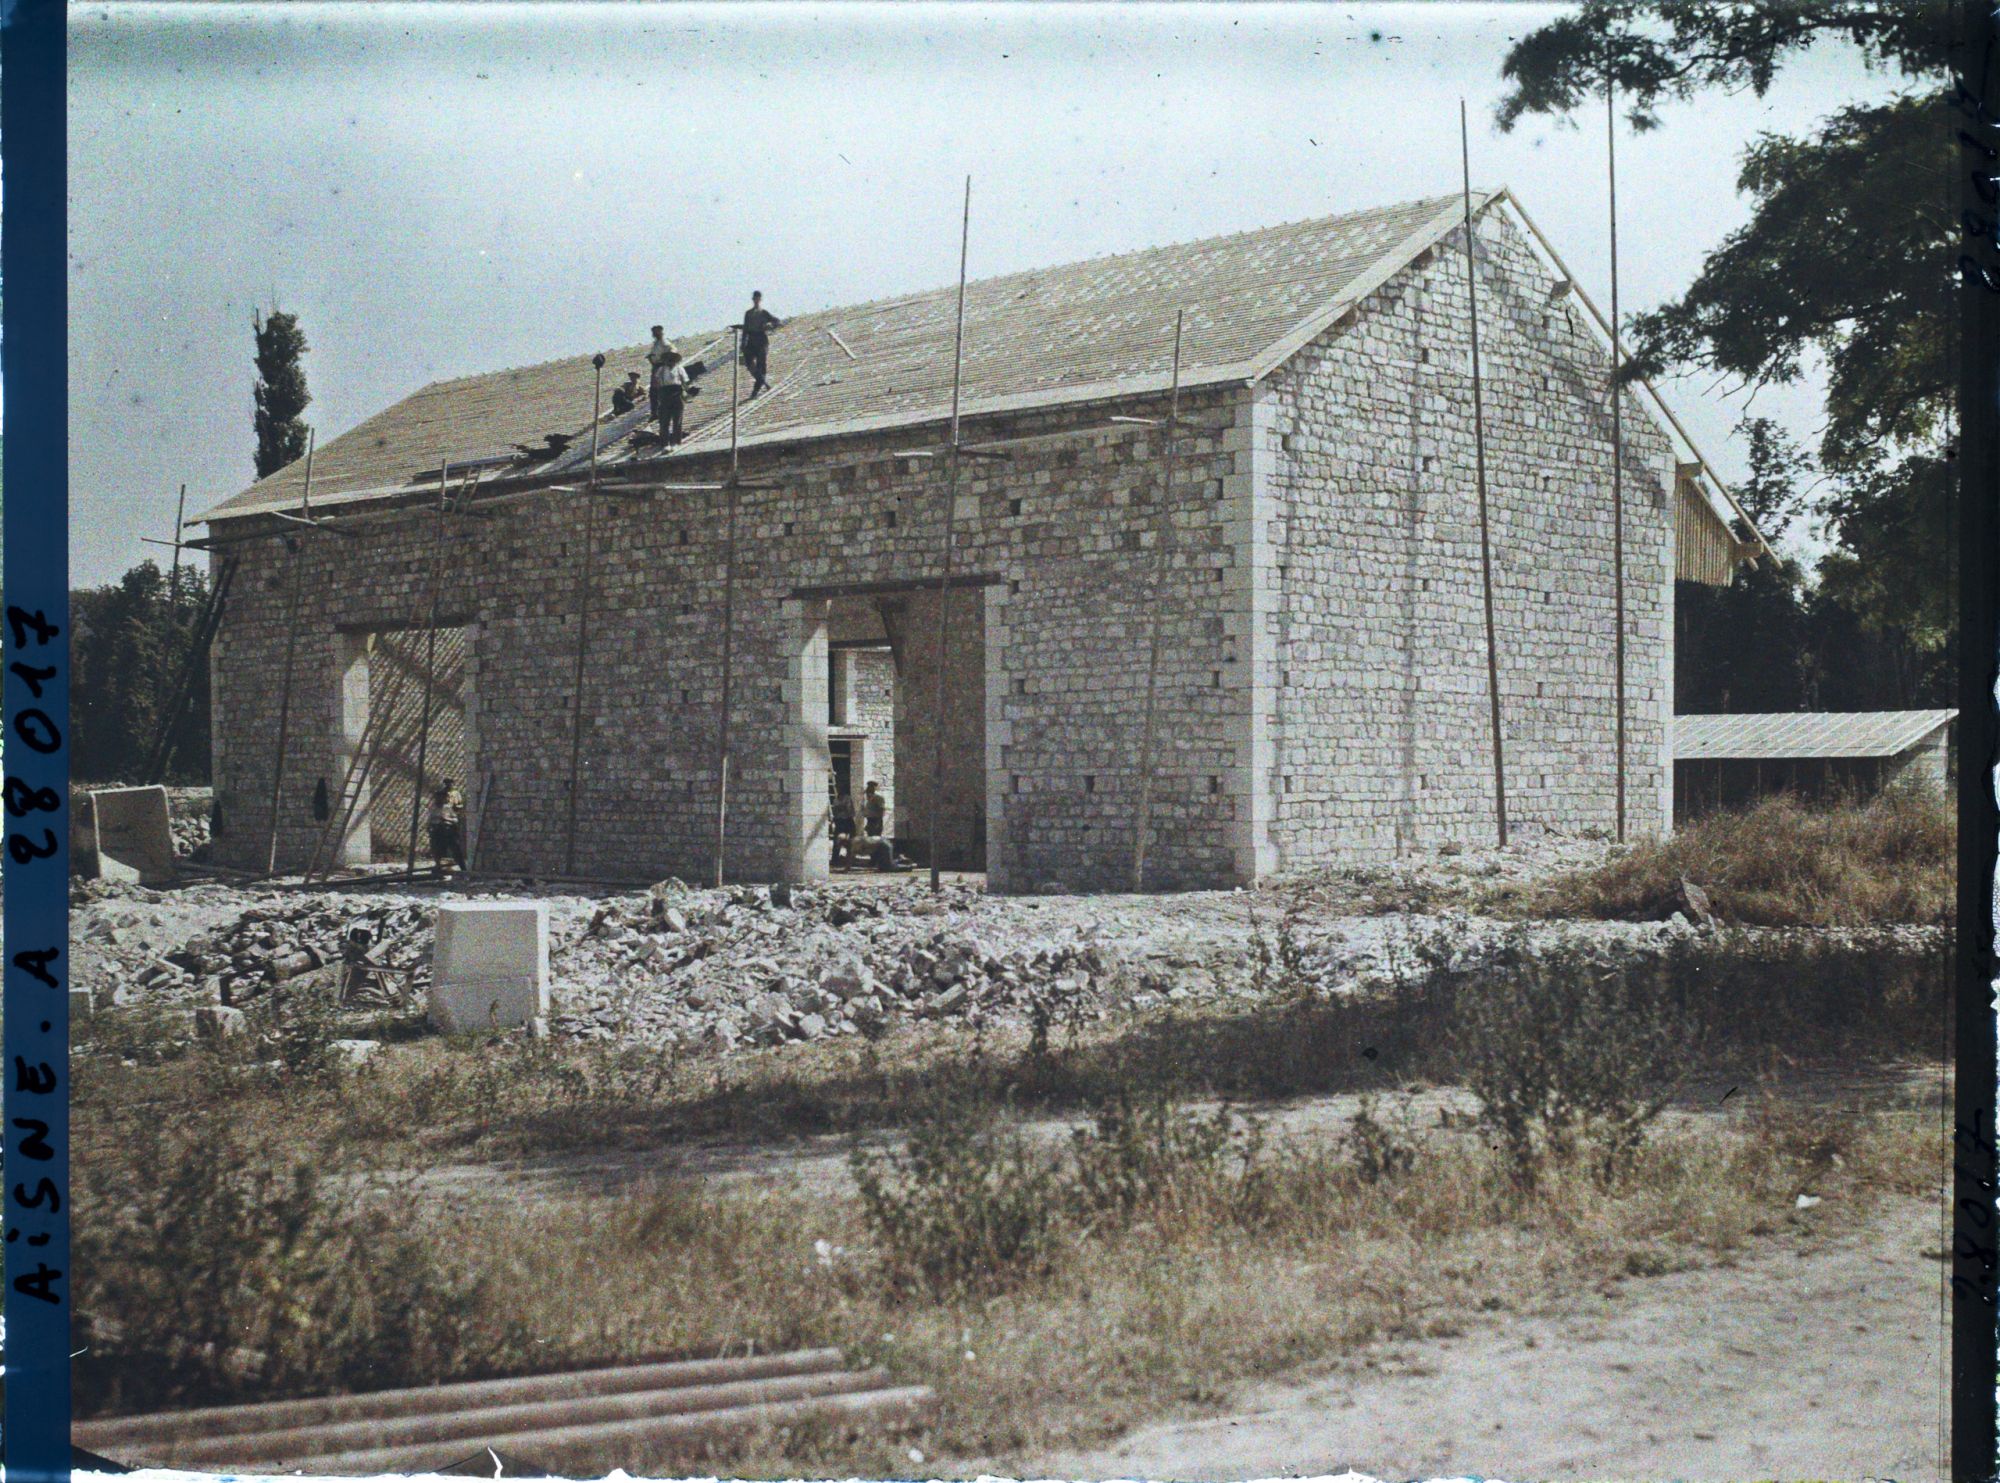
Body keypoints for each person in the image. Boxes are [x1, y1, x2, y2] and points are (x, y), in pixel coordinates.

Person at [740, 291, 783, 398]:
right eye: (755, 298)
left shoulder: (763, 313)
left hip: (761, 340)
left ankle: (756, 389)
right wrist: (743, 343)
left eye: (758, 298)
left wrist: (769, 325)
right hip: (751, 340)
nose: (756, 300)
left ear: (760, 299)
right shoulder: (748, 313)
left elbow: (777, 322)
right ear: (753, 299)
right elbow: (745, 329)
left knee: (761, 366)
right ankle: (763, 382)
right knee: (749, 364)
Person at [646, 325, 678, 427]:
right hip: (656, 367)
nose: (654, 334)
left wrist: (665, 360)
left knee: (660, 390)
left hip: (662, 367)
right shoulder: (656, 344)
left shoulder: (665, 343)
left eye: (656, 332)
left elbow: (672, 351)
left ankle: (661, 411)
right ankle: (654, 412)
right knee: (653, 391)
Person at [659, 350, 690, 445]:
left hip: (677, 392)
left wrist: (688, 393)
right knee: (665, 420)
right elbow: (657, 383)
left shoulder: (679, 369)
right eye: (668, 359)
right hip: (665, 393)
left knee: (677, 419)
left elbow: (685, 382)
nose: (670, 361)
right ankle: (665, 443)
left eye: (672, 359)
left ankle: (676, 442)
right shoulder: (661, 370)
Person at [830, 788, 857, 869]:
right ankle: (850, 859)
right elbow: (850, 811)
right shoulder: (847, 799)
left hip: (839, 820)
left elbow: (835, 811)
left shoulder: (836, 800)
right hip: (846, 820)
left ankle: (836, 859)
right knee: (851, 839)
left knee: (837, 840)